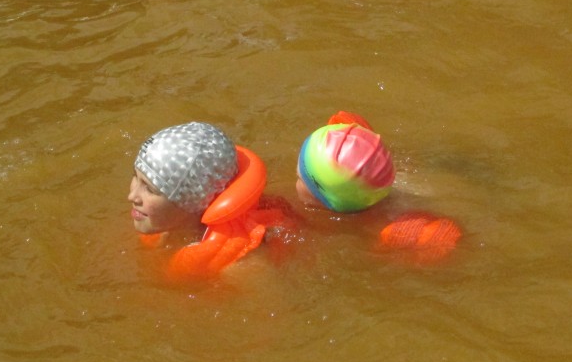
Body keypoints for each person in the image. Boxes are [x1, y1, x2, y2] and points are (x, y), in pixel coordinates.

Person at [129, 122, 292, 281]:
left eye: (150, 189)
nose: (132, 196)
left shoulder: (242, 267)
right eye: (135, 177)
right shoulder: (161, 222)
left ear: (193, 199)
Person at [296, 111, 463, 261]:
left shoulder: (374, 230)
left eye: (300, 178)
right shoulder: (383, 182)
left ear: (327, 200)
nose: (295, 178)